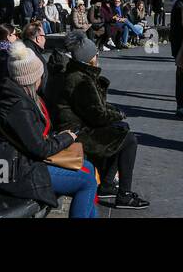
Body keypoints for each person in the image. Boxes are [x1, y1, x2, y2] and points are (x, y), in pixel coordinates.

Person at [0, 41, 98, 218]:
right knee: (87, 182)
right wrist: (67, 138)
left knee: (89, 168)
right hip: (15, 172)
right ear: (31, 78)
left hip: (20, 162)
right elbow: (40, 149)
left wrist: (59, 137)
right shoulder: (17, 106)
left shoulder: (17, 96)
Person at [52, 34, 150, 209]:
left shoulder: (78, 74)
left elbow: (95, 107)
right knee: (129, 140)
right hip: (77, 131)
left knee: (121, 131)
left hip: (79, 125)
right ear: (89, 58)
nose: (98, 57)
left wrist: (115, 114)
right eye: (95, 54)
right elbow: (96, 115)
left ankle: (106, 184)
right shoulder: (80, 80)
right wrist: (118, 114)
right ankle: (124, 195)